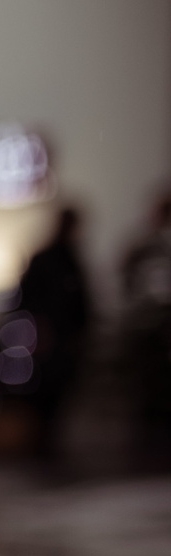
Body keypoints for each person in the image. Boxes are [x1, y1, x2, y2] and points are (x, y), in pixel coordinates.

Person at [13, 204, 92, 461]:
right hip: (43, 343)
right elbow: (25, 301)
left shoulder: (71, 259)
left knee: (57, 401)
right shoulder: (50, 260)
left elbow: (82, 305)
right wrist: (38, 330)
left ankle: (45, 449)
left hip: (64, 344)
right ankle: (37, 450)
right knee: (40, 400)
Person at [121, 195, 171, 470]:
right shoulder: (145, 246)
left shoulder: (151, 246)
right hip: (147, 329)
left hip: (156, 327)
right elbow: (127, 277)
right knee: (148, 390)